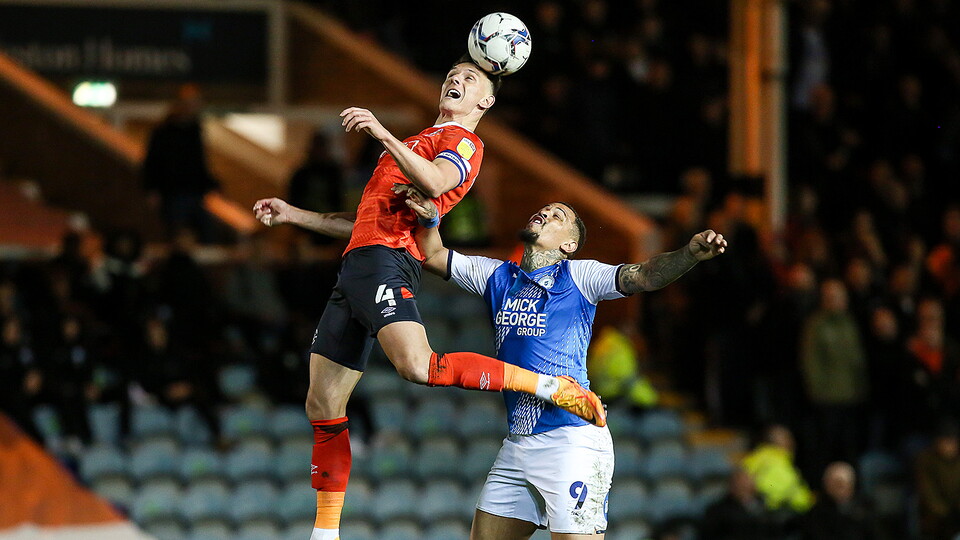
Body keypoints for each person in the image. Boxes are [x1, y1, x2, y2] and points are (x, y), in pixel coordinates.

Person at [252, 57, 607, 540]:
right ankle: (325, 533)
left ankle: (542, 384)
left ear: (486, 100)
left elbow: (438, 182)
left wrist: (381, 132)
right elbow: (359, 223)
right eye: (451, 76)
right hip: (355, 268)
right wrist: (294, 214)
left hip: (387, 263)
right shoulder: (412, 145)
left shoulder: (462, 142)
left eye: (470, 79)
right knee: (321, 401)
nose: (456, 80)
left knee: (416, 366)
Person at [401, 192, 726, 538]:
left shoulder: (580, 277)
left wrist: (688, 255)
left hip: (571, 439)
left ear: (570, 244)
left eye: (558, 215)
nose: (544, 212)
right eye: (543, 210)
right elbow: (434, 255)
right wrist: (430, 218)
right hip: (518, 444)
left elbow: (644, 276)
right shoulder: (496, 276)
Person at [142, 84, 220, 241]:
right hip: (173, 192)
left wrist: (211, 184)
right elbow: (152, 162)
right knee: (178, 231)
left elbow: (198, 163)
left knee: (206, 232)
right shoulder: (164, 132)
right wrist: (152, 188)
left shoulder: (194, 131)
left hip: (194, 192)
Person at [801, 462, 877, 540]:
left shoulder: (866, 510)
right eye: (829, 483)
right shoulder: (816, 513)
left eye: (839, 484)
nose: (833, 488)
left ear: (850, 485)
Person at [700, 467, 781, 540]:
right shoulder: (717, 511)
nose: (743, 487)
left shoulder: (765, 507)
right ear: (731, 486)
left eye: (746, 484)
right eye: (739, 484)